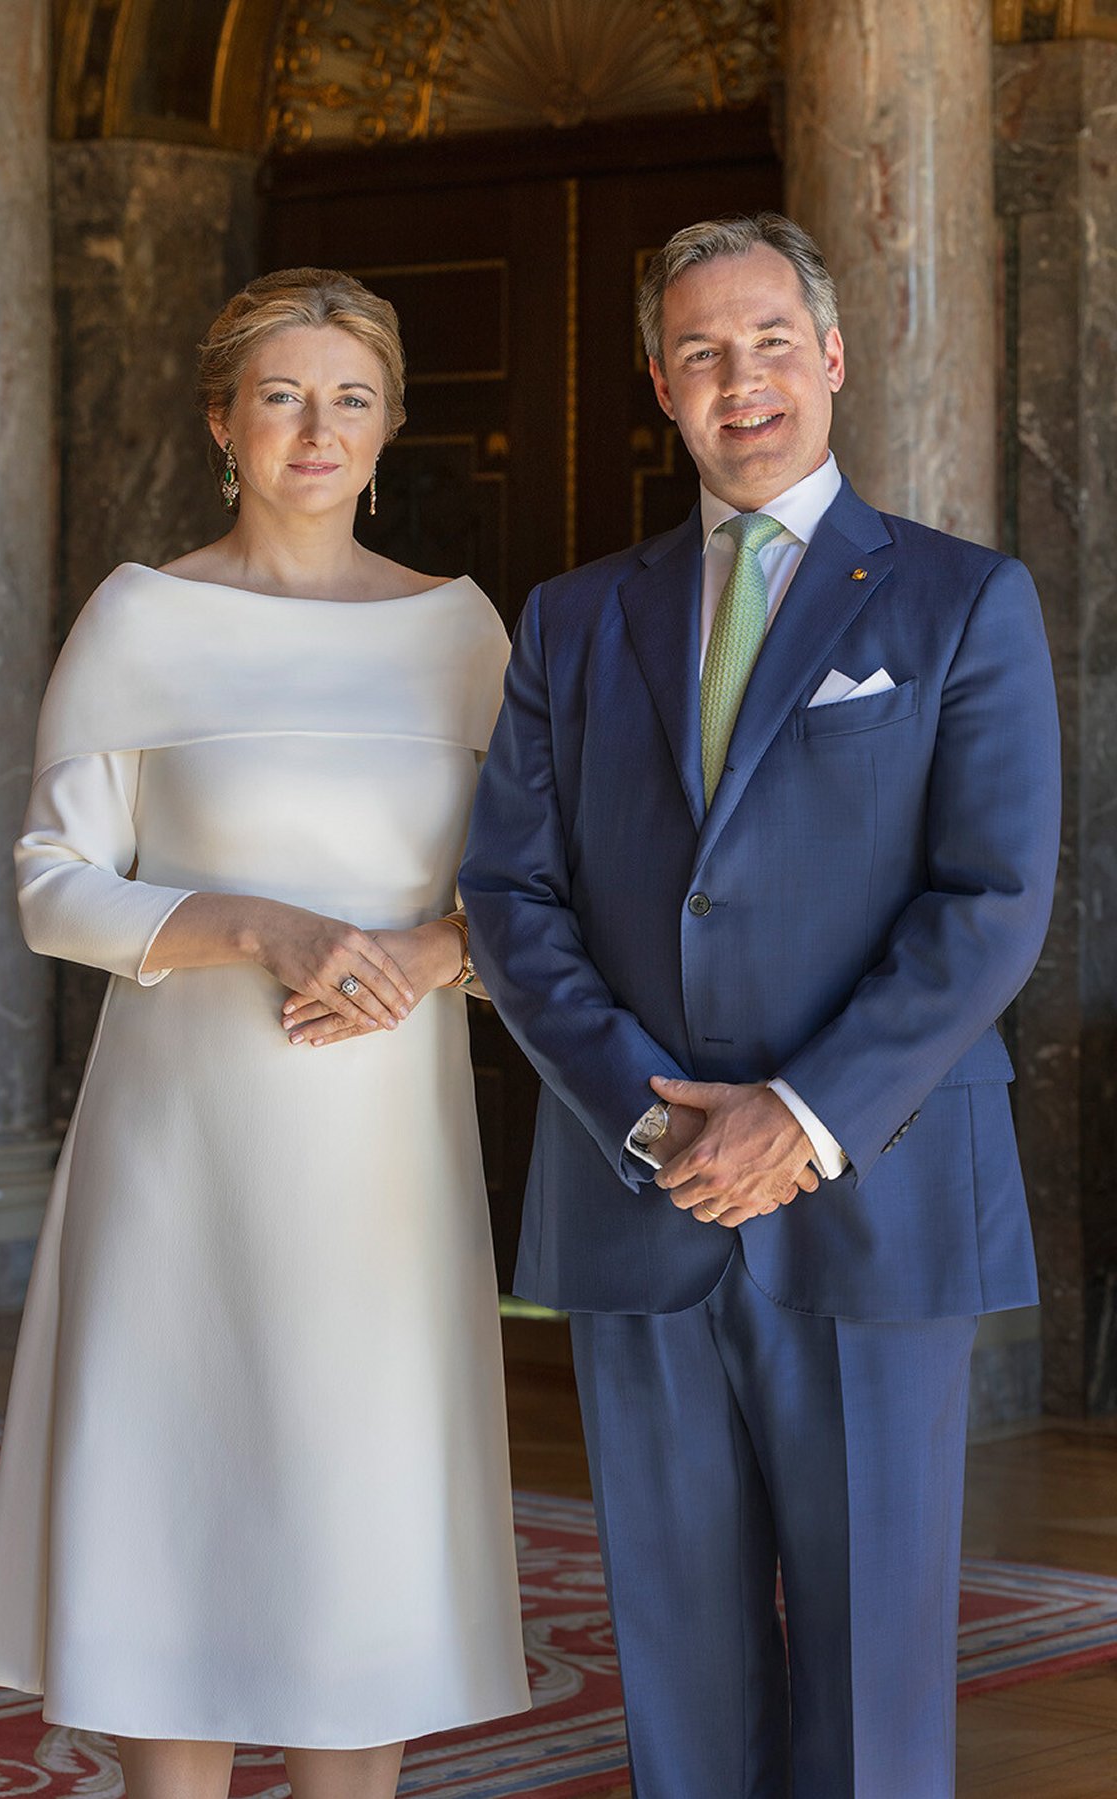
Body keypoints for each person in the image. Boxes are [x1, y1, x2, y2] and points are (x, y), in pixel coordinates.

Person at [459, 213, 1060, 1798]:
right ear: (661, 385)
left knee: (873, 1689)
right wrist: (651, 1116)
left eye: (773, 343)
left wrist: (800, 1117)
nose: (743, 382)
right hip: (641, 1187)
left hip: (877, 1189)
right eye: (703, 353)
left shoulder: (963, 600)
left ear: (835, 357)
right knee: (682, 1676)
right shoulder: (572, 619)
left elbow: (993, 900)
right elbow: (510, 897)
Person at [0, 267, 530, 1799]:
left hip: (383, 1167)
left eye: (350, 398)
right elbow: (52, 888)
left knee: (360, 1513)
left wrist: (428, 950)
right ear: (222, 420)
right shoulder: (141, 616)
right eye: (281, 396)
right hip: (184, 1154)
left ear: (392, 425)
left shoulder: (462, 633)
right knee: (183, 1498)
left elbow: (528, 905)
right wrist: (258, 928)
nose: (316, 429)